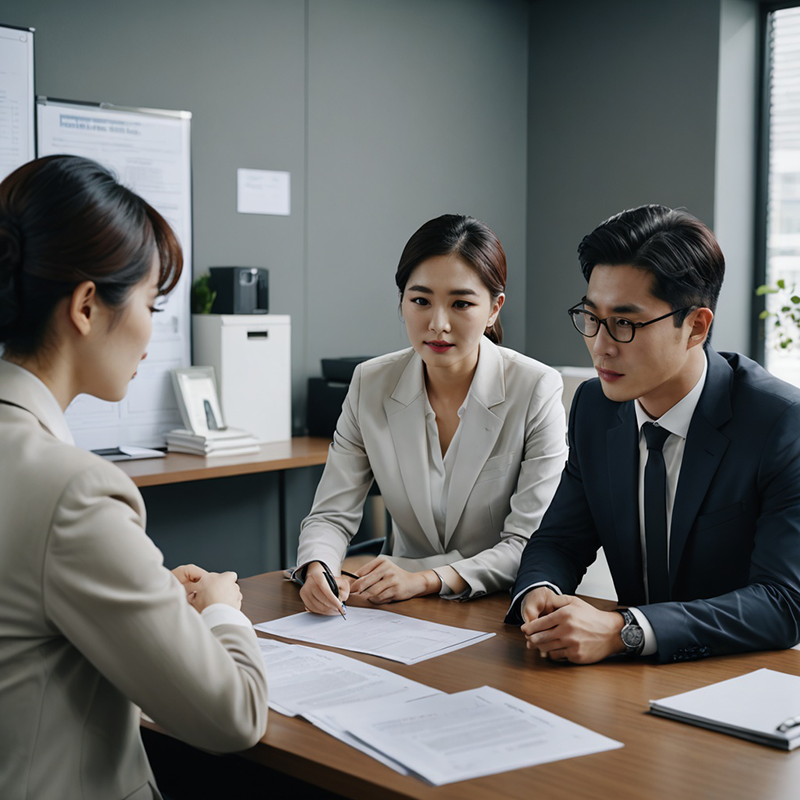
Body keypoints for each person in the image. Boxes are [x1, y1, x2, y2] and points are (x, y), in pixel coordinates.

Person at [0, 155, 268, 800]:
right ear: (87, 306)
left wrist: (141, 589)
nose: (153, 330)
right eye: (151, 302)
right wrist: (222, 611)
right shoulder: (73, 492)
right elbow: (234, 716)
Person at [507, 204, 800, 664]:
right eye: (591, 316)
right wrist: (540, 589)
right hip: (628, 680)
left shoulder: (779, 422)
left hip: (737, 675)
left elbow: (782, 603)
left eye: (625, 323)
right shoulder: (594, 407)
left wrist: (625, 630)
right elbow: (560, 540)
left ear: (696, 327)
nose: (600, 345)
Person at [296, 214, 567, 615]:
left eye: (461, 303)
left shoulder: (535, 388)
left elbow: (528, 543)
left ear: (494, 309)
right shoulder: (370, 383)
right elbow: (331, 515)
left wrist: (426, 578)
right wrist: (317, 565)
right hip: (399, 609)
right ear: (402, 301)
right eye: (421, 301)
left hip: (496, 606)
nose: (438, 324)